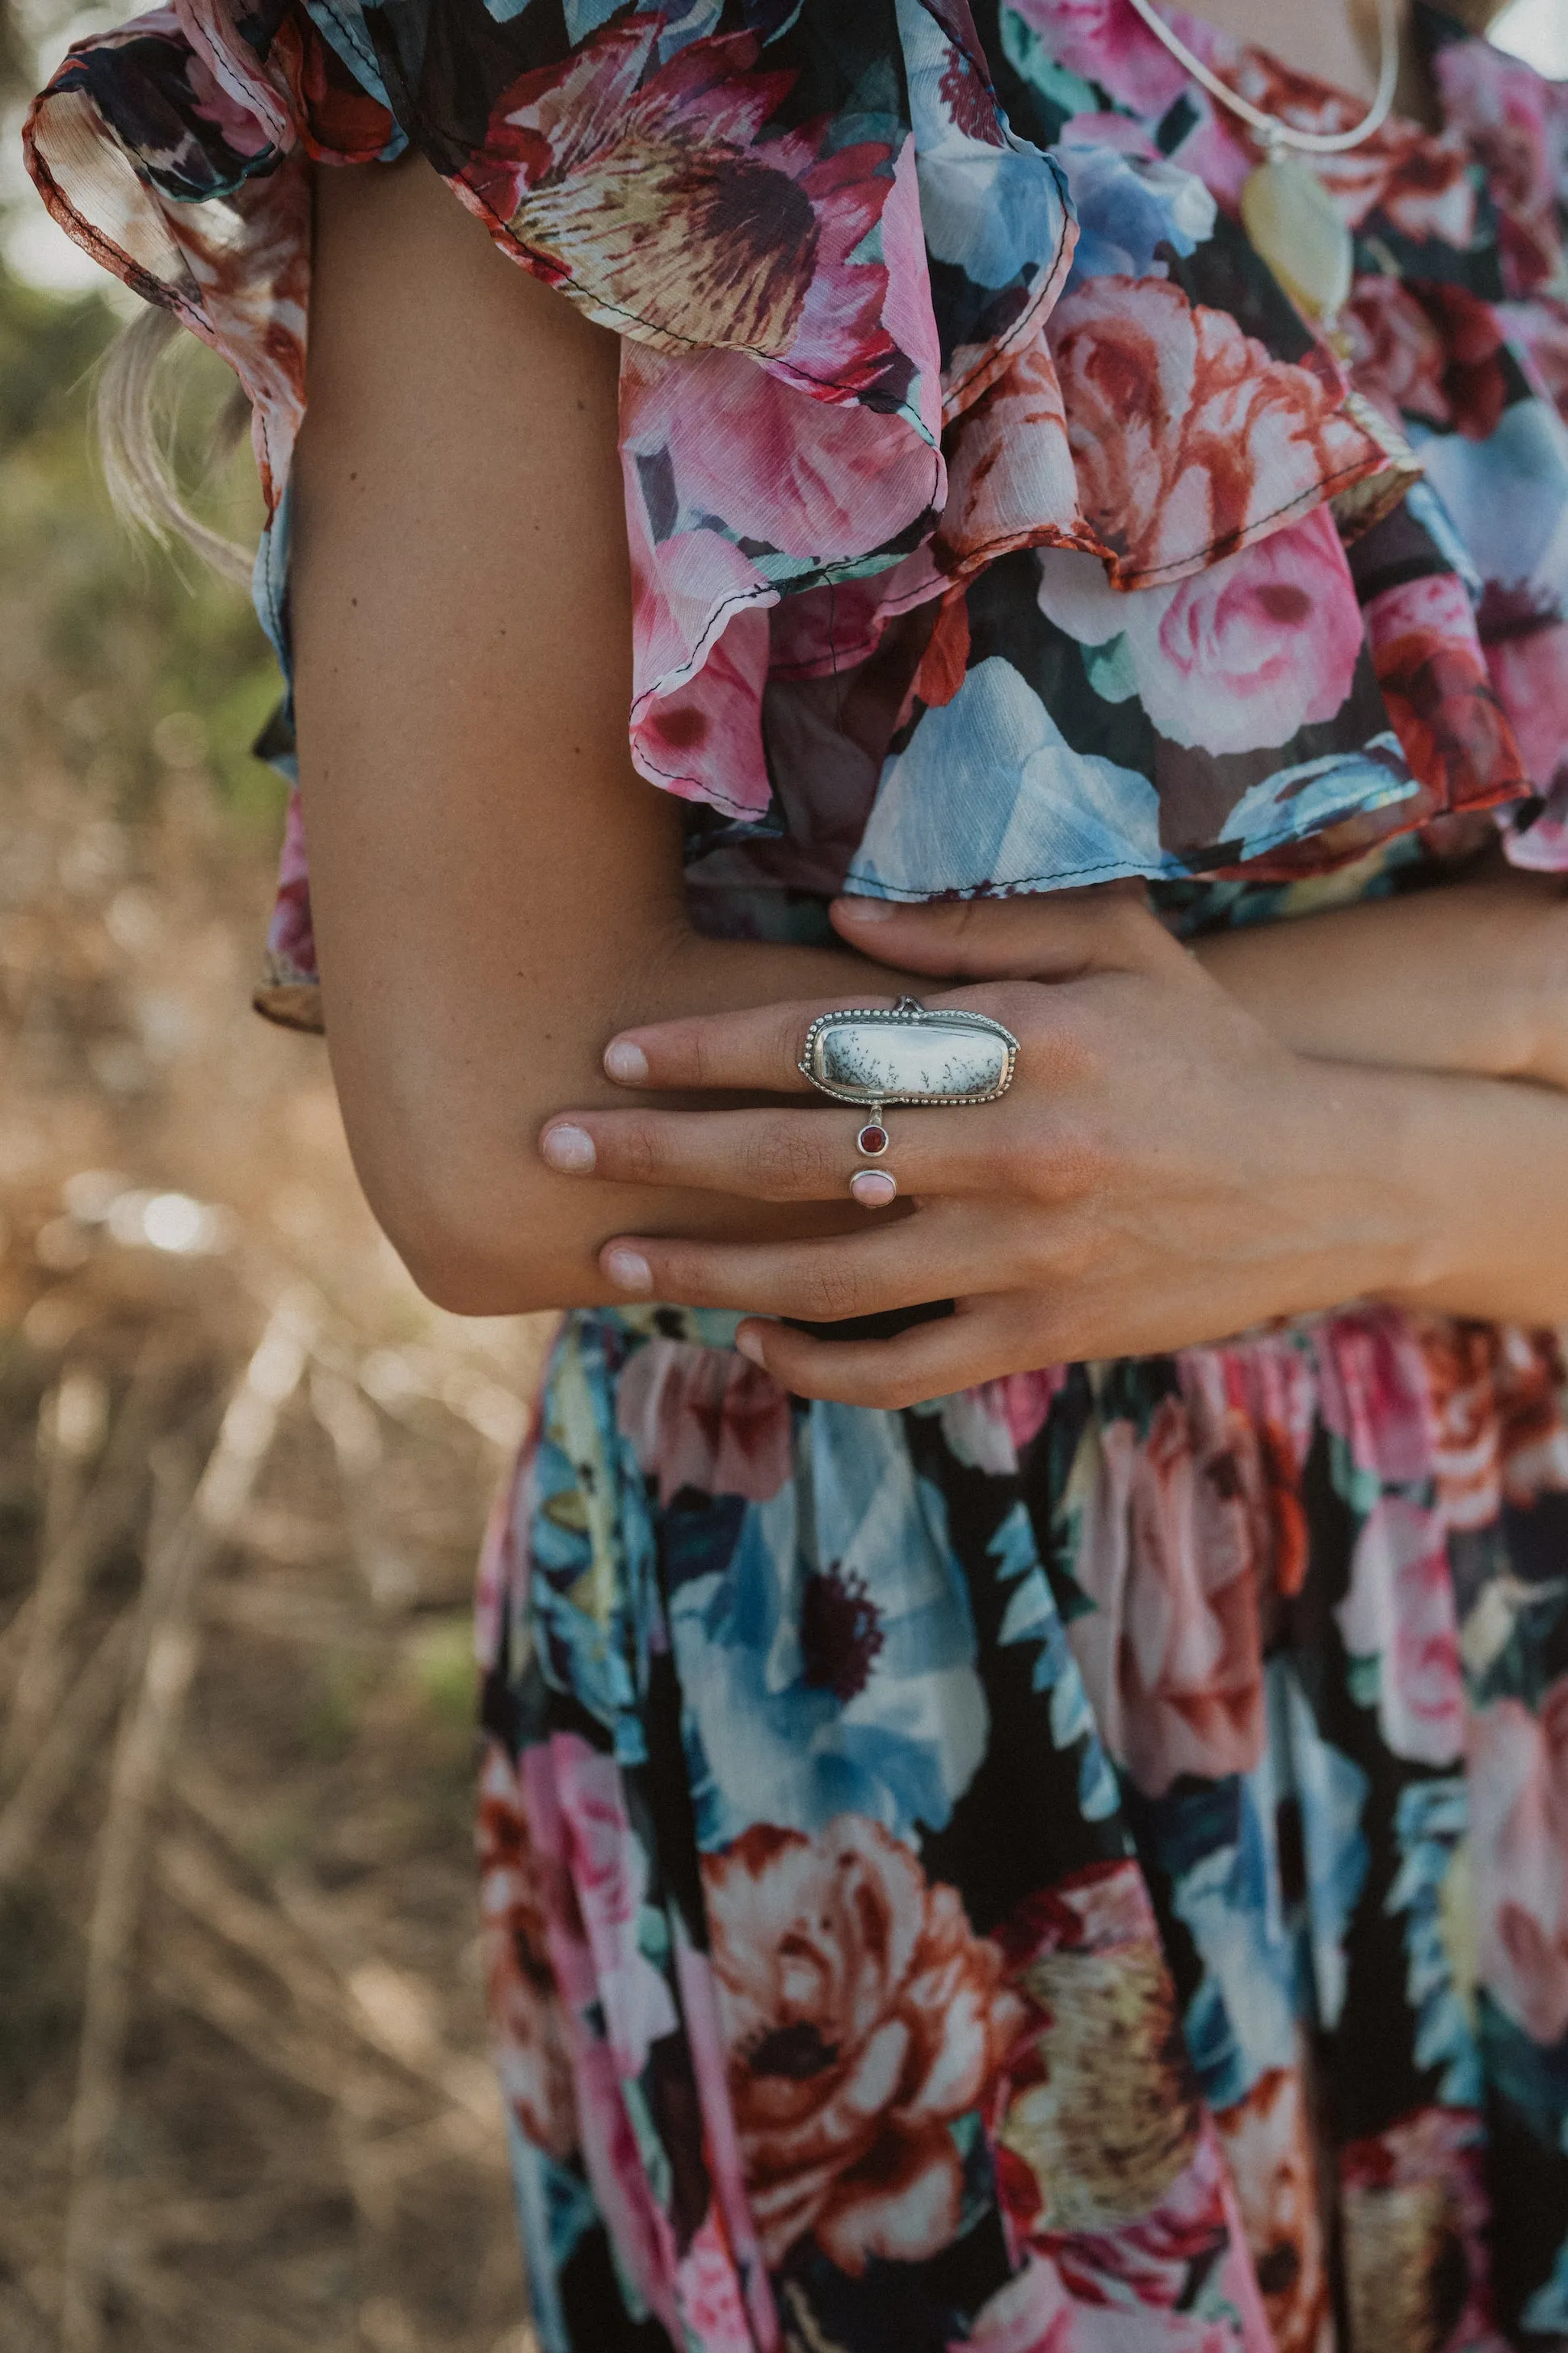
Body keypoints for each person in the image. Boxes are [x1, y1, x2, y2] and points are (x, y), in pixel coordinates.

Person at [25, 0, 1568, 2342]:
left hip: (1509, 1573)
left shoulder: (1508, 140)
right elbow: (508, 1129)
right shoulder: (608, 45)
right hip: (909, 1657)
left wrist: (1340, 1169)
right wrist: (1497, 1012)